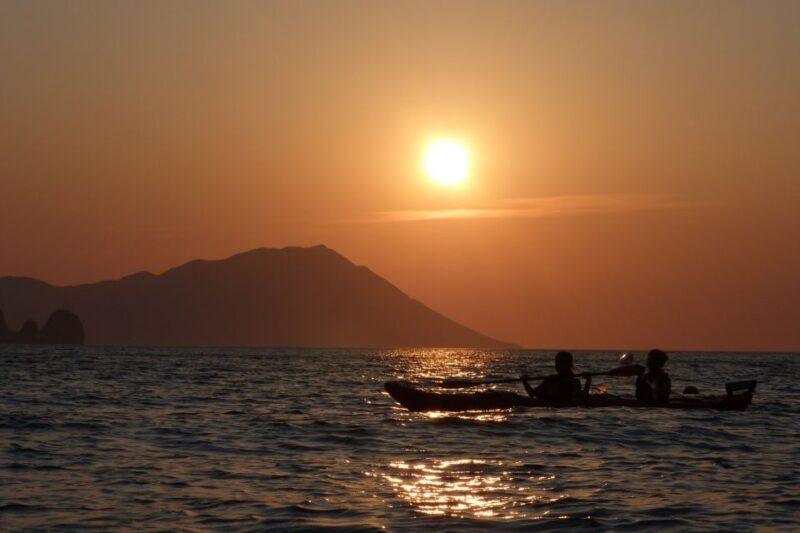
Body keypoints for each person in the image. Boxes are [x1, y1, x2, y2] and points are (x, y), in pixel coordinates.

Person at [520, 351, 589, 401]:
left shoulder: (574, 382)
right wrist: (525, 382)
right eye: (557, 362)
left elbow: (582, 398)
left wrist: (588, 381)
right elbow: (532, 394)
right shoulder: (551, 379)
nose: (557, 365)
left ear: (569, 365)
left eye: (561, 362)